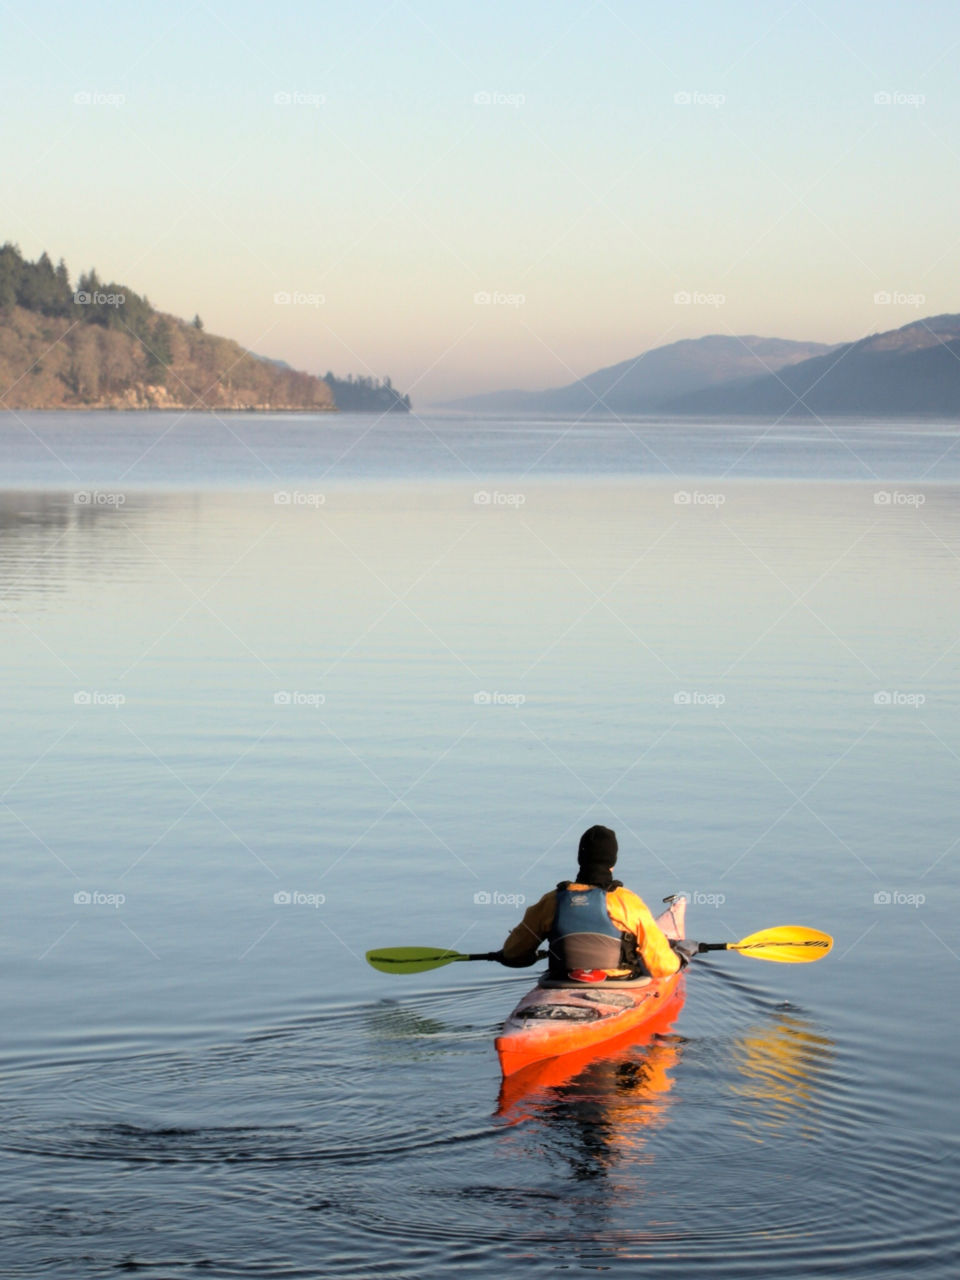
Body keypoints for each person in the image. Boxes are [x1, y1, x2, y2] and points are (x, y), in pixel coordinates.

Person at [496, 825, 682, 981]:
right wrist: (681, 958)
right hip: (617, 984)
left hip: (561, 982)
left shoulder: (551, 901)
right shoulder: (627, 902)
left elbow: (513, 954)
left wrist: (531, 956)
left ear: (580, 859)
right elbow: (662, 967)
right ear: (613, 862)